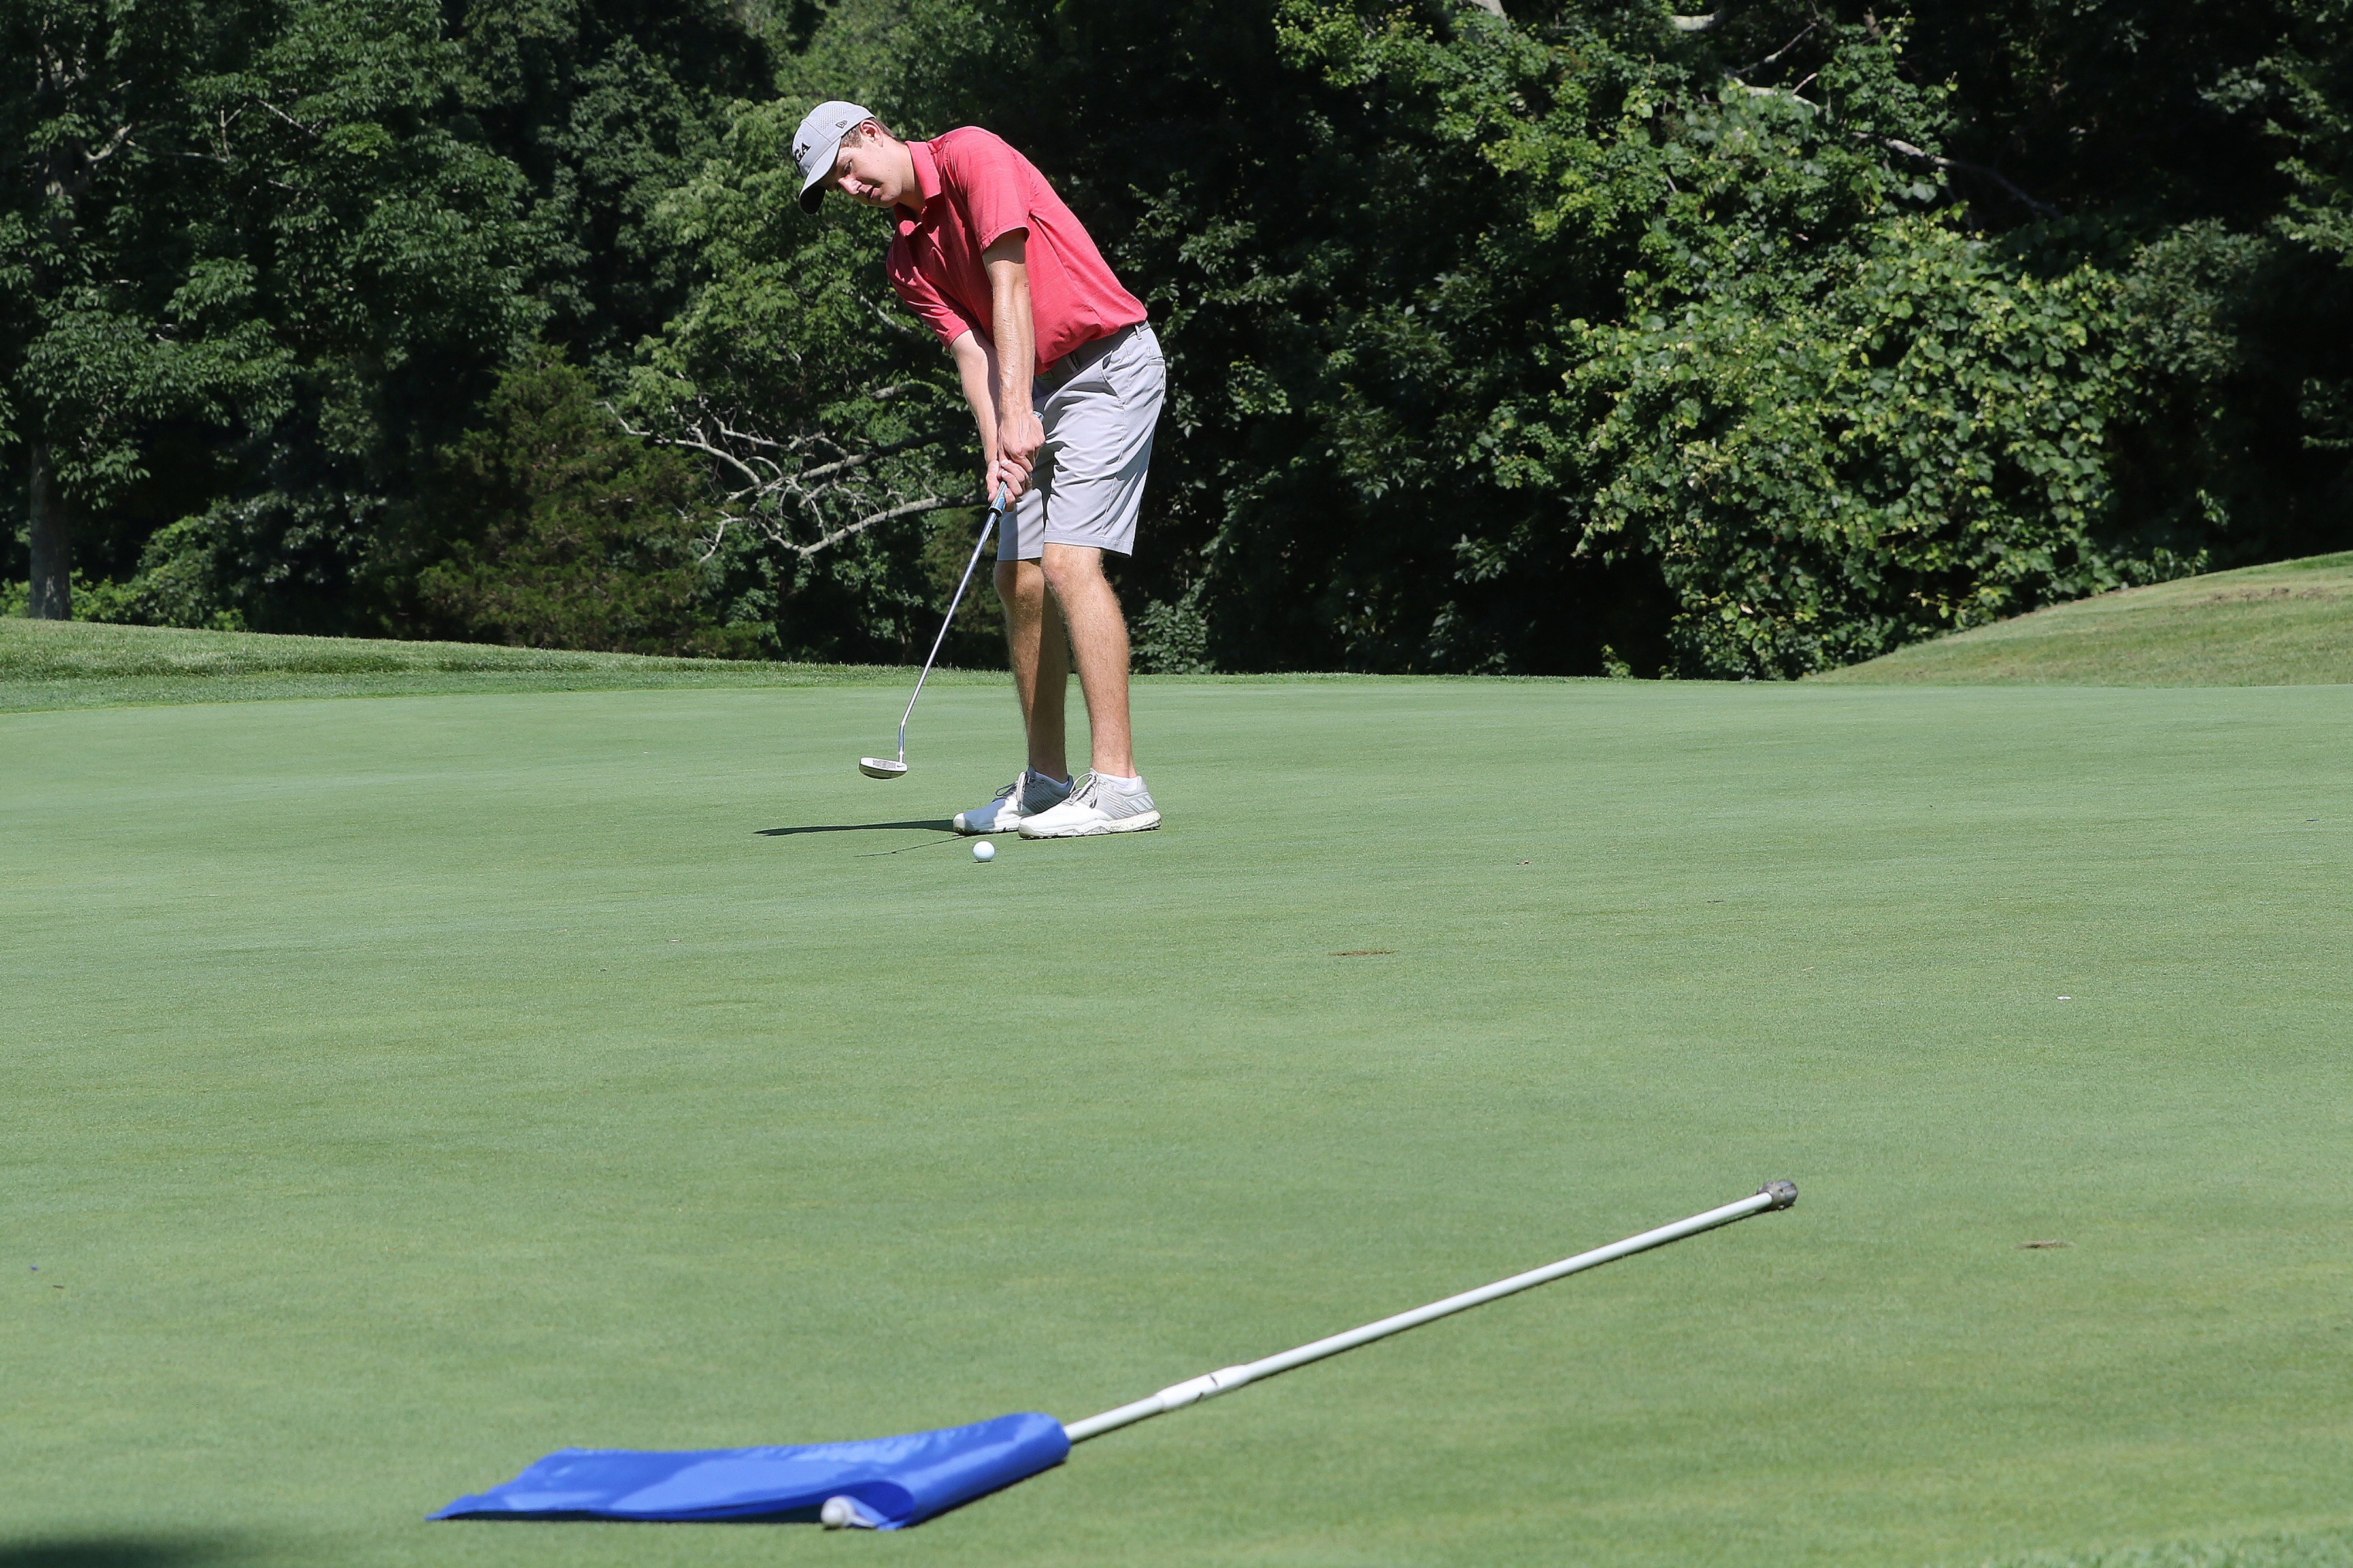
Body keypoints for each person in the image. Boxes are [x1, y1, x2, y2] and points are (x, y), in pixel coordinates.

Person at [793, 101, 1166, 839]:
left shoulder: (974, 155)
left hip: (1106, 369)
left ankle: (1121, 785)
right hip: (1027, 390)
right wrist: (997, 443)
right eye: (835, 185)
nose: (850, 187)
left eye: (845, 167)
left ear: (869, 132)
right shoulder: (905, 260)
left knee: (1066, 563)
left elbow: (1012, 286)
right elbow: (975, 354)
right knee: (1016, 575)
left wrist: (1022, 411)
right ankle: (1047, 784)